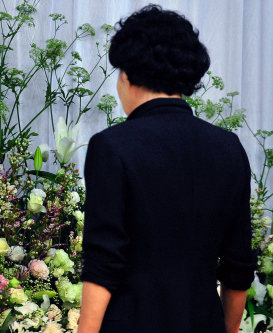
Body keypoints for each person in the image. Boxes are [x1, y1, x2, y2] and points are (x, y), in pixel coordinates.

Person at [77, 5, 256, 333]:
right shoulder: (229, 148)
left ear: (127, 75)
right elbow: (238, 268)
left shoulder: (112, 146)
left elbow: (103, 263)